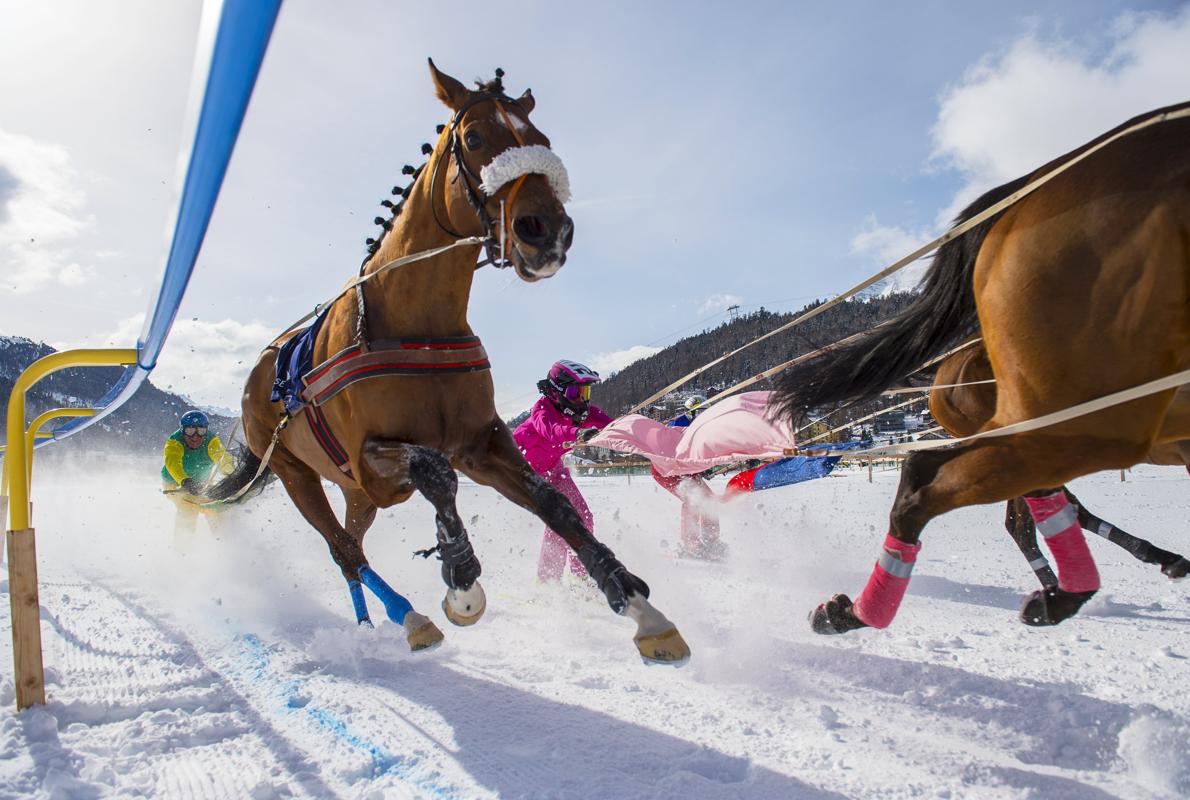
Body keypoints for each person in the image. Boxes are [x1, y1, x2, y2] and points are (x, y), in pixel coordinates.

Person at [513, 360, 613, 583]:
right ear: (556, 392)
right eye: (574, 391)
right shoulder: (542, 409)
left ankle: (581, 578)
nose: (580, 399)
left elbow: (613, 424)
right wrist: (578, 433)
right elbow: (552, 431)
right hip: (526, 473)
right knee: (561, 519)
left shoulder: (580, 412)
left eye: (585, 392)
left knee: (583, 517)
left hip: (554, 471)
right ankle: (547, 580)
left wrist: (636, 429)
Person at [651, 394, 726, 560]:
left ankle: (711, 541)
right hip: (666, 470)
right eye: (699, 414)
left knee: (709, 500)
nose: (703, 418)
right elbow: (677, 454)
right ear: (690, 413)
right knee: (693, 500)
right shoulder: (678, 426)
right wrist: (699, 467)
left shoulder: (705, 429)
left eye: (706, 413)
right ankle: (690, 544)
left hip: (689, 471)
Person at [161, 410, 234, 533]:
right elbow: (172, 463)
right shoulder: (174, 442)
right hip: (175, 483)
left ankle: (225, 541)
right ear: (182, 430)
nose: (195, 437)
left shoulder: (211, 441)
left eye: (201, 431)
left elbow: (222, 458)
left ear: (206, 430)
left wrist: (232, 474)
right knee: (187, 510)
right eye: (190, 431)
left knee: (216, 508)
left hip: (201, 484)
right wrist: (184, 481)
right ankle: (183, 548)